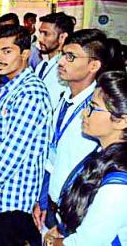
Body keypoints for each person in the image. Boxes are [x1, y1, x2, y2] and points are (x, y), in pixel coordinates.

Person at [33, 29, 124, 234]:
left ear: (93, 65)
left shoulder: (101, 114)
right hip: (54, 203)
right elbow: (53, 159)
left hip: (77, 214)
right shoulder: (64, 96)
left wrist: (69, 224)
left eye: (71, 57)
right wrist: (43, 199)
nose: (62, 62)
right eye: (63, 54)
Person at [0, 25, 53, 246]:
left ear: (25, 53)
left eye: (7, 51)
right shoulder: (11, 88)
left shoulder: (30, 93)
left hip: (14, 201)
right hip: (0, 193)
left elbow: (10, 155)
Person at [44, 71, 127, 245]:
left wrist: (54, 242)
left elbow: (86, 242)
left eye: (92, 108)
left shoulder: (118, 185)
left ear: (121, 121)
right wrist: (62, 229)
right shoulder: (102, 151)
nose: (84, 113)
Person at [35, 12, 76, 109]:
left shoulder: (66, 68)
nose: (40, 39)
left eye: (46, 34)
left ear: (62, 37)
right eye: (40, 33)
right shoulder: (42, 65)